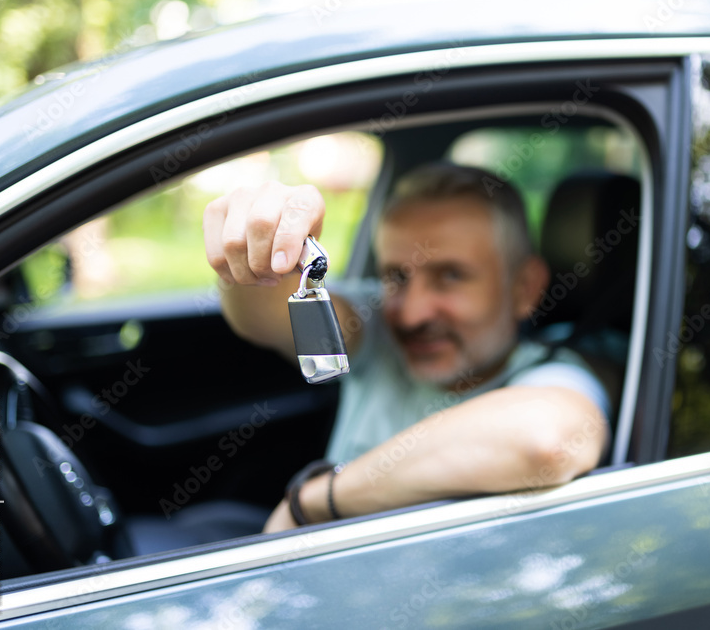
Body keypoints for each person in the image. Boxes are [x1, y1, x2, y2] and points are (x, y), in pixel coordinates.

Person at [202, 162, 610, 532]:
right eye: (396, 276)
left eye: (450, 276)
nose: (412, 314)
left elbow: (543, 441)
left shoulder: (553, 372)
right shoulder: (376, 325)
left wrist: (314, 502)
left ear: (525, 288)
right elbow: (264, 315)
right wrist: (257, 246)